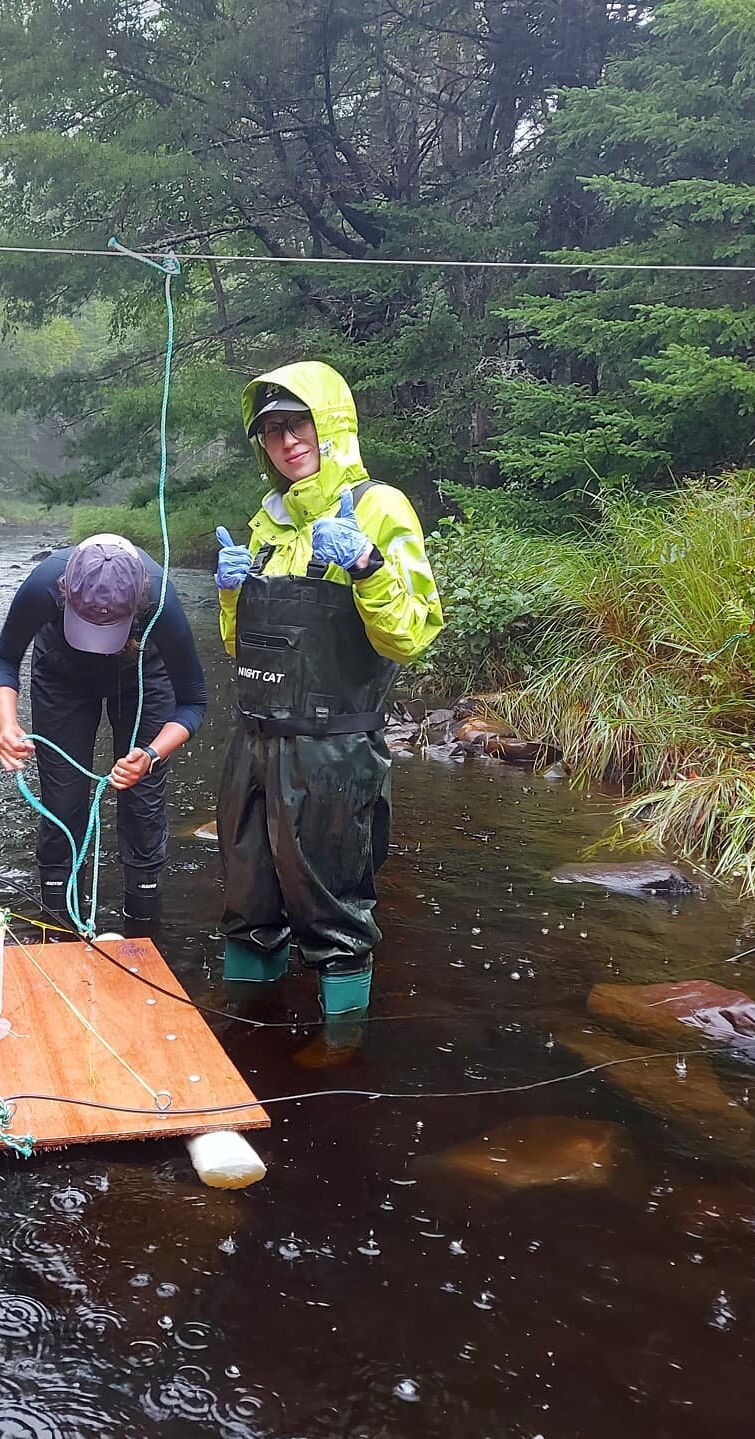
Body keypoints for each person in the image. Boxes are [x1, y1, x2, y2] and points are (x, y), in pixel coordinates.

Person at [214, 362, 442, 1015]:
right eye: (273, 431)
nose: (287, 442)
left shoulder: (379, 507)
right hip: (252, 748)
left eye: (298, 424)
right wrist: (230, 595)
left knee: (336, 924)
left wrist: (366, 565)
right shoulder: (265, 523)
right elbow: (239, 647)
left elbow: (408, 638)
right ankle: (249, 1040)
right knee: (247, 905)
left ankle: (342, 1067)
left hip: (334, 754)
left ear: (332, 423)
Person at [0, 533, 207, 932]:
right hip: (62, 677)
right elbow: (4, 660)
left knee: (142, 802)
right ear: (65, 592)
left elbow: (193, 701)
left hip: (143, 675)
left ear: (137, 607)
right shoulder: (44, 583)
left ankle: (144, 933)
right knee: (62, 802)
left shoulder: (160, 599)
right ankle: (57, 927)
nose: (98, 646)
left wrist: (153, 754)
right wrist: (8, 726)